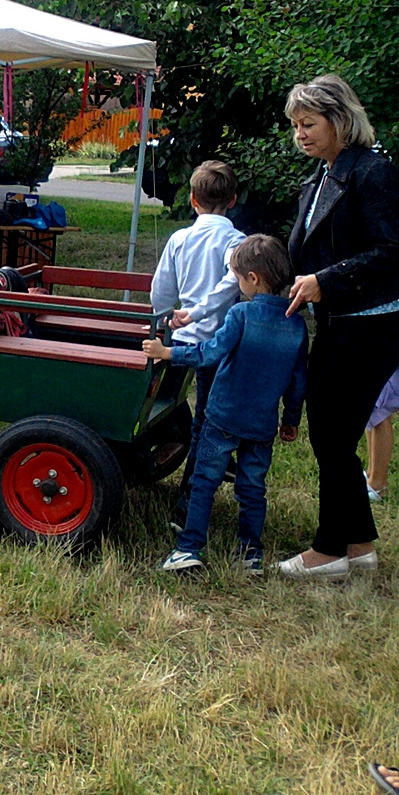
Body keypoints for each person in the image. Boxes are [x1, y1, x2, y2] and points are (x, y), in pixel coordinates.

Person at [278, 74, 399, 579]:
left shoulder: (373, 173)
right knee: (331, 437)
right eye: (295, 126)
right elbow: (299, 256)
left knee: (332, 439)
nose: (300, 134)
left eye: (308, 123)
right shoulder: (320, 178)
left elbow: (392, 252)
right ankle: (360, 546)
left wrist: (325, 282)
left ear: (339, 120)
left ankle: (329, 550)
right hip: (338, 329)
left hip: (370, 331)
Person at [144, 234, 308, 575]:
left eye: (236, 277)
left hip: (222, 416)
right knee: (253, 488)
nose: (236, 284)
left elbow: (210, 354)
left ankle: (188, 549)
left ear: (253, 278)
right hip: (262, 423)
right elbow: (297, 380)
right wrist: (291, 419)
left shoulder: (241, 314)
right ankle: (250, 555)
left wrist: (168, 352)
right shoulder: (297, 325)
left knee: (205, 480)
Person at [149, 160, 246, 530]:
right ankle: (188, 503)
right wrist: (202, 311)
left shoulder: (180, 239)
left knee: (162, 404)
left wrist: (165, 317)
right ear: (233, 200)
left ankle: (196, 470)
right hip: (217, 342)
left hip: (180, 337)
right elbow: (232, 283)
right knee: (204, 420)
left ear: (192, 200)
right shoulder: (234, 241)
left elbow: (162, 288)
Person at [364, 331, 399, 501]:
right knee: (370, 411)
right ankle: (372, 473)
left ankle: (378, 483)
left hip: (380, 337)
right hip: (368, 336)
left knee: (379, 411)